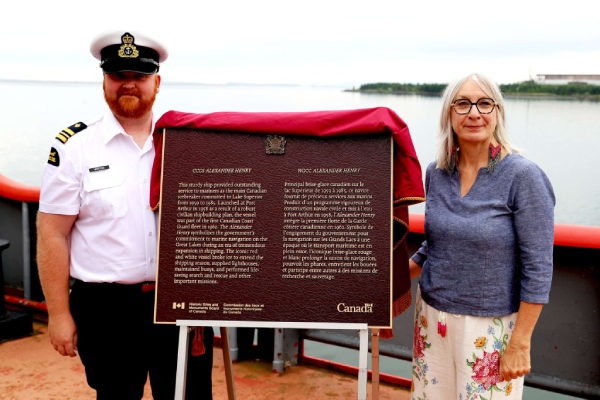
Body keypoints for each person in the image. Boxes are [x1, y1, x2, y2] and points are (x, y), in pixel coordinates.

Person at [36, 30, 213, 400]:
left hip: (177, 305)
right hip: (106, 311)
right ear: (104, 80)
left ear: (157, 83)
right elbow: (51, 232)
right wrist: (58, 314)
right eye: (119, 76)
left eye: (140, 77)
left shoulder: (187, 144)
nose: (129, 85)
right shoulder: (74, 147)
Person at [409, 72, 555, 399]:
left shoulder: (523, 176)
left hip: (490, 329)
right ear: (449, 114)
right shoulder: (437, 172)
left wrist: (520, 341)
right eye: (462, 104)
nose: (474, 113)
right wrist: (384, 285)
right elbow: (435, 246)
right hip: (431, 319)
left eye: (484, 103)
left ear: (497, 113)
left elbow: (538, 267)